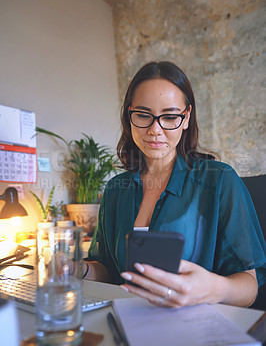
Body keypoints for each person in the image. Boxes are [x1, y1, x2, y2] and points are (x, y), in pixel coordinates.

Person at [80, 61, 266, 308]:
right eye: (144, 115)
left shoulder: (220, 180)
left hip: (194, 327)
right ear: (129, 115)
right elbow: (106, 269)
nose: (155, 130)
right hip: (126, 320)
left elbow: (249, 287)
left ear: (186, 118)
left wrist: (213, 288)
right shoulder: (116, 189)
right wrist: (75, 269)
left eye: (169, 117)